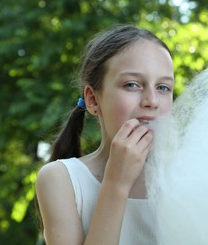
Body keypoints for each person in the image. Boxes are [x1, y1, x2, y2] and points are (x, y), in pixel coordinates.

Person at [35, 24, 174, 245]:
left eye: (164, 87)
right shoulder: (61, 179)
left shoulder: (183, 179)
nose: (152, 101)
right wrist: (116, 184)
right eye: (132, 84)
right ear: (93, 100)